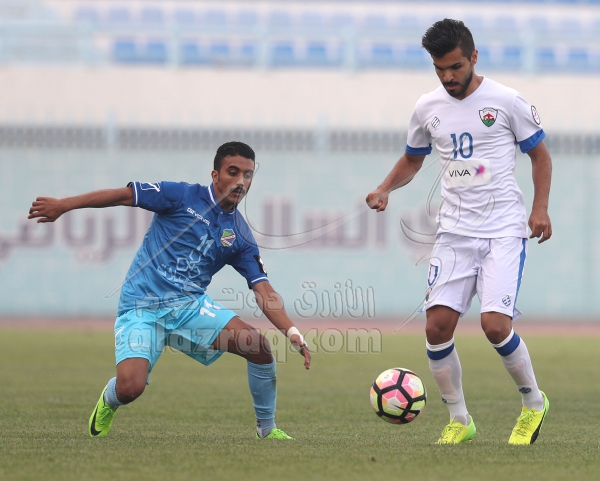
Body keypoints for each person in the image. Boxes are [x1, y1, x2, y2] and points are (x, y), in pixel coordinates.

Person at [28, 141, 311, 440]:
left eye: (248, 175)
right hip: (141, 306)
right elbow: (124, 195)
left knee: (258, 347)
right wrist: (64, 205)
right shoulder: (180, 195)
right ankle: (109, 401)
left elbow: (262, 288)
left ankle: (267, 430)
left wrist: (292, 331)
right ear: (215, 175)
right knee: (130, 388)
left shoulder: (239, 235)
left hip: (189, 307)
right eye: (233, 172)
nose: (241, 181)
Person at [366, 19, 551, 445]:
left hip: (503, 230)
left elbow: (540, 156)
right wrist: (384, 188)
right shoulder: (427, 107)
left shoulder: (506, 101)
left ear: (473, 57)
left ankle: (533, 403)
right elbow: (412, 159)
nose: (447, 77)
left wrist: (539, 208)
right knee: (437, 328)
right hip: (454, 234)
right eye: (439, 69)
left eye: (455, 67)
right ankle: (459, 420)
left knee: (495, 326)